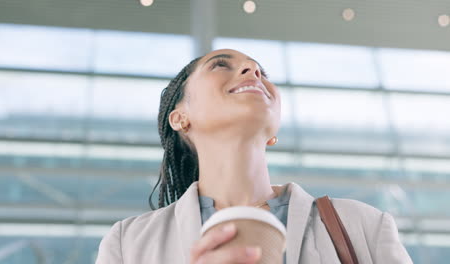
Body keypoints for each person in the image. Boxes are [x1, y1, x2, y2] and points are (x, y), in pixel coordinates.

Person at [95, 49, 412, 264]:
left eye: (262, 71)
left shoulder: (363, 226)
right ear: (179, 118)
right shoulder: (129, 243)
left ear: (273, 130)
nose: (253, 71)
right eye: (221, 65)